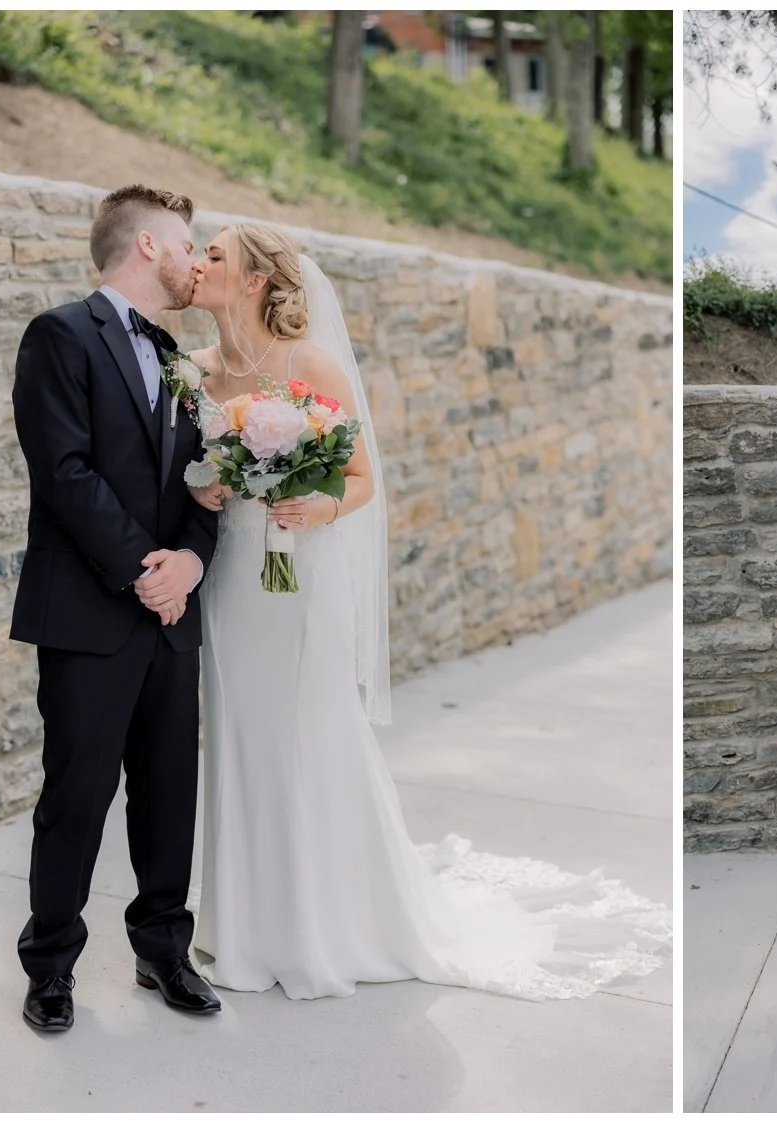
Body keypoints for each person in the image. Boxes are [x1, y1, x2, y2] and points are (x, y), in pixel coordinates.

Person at [183, 223, 670, 1000]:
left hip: (301, 575)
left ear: (252, 280)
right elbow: (191, 475)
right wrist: (206, 486)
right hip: (235, 578)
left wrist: (316, 501)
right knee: (241, 733)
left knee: (310, 732)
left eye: (215, 253)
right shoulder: (195, 372)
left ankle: (331, 922)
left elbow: (362, 478)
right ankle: (244, 926)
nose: (198, 263)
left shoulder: (307, 364)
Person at [10, 184, 222, 1031]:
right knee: (77, 793)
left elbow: (206, 478)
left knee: (170, 791)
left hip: (171, 613)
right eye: (187, 243)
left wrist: (193, 564)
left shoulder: (178, 353)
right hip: (91, 612)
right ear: (145, 246)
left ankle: (163, 951)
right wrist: (146, 566)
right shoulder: (60, 335)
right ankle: (51, 965)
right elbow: (62, 471)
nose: (194, 260)